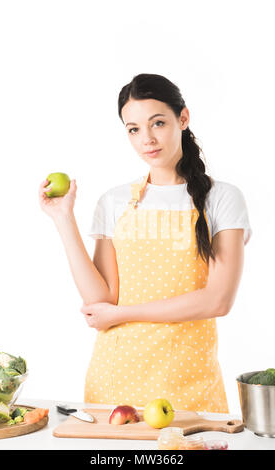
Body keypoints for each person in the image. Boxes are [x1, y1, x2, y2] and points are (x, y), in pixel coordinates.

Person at [39, 73, 252, 413]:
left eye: (158, 123)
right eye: (134, 129)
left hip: (188, 384)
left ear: (183, 118)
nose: (147, 139)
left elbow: (218, 300)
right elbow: (100, 299)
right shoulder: (115, 201)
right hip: (113, 381)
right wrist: (63, 219)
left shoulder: (221, 198)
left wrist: (122, 314)